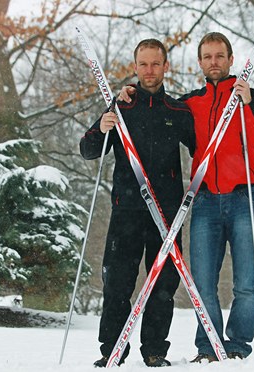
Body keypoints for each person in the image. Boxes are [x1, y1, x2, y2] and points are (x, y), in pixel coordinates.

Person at [119, 32, 254, 362]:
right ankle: (208, 347)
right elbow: (159, 108)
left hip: (245, 199)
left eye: (219, 56)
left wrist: (248, 103)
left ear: (231, 60)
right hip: (204, 201)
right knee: (202, 283)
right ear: (200, 62)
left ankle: (237, 346)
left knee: (246, 282)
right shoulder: (191, 102)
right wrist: (128, 95)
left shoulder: (247, 95)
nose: (213, 62)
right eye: (207, 57)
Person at [80, 38, 195, 368]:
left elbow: (202, 149)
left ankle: (155, 350)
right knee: (117, 282)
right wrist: (101, 128)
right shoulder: (120, 108)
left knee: (163, 285)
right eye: (143, 64)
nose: (149, 70)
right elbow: (88, 150)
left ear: (165, 67)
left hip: (168, 213)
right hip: (127, 209)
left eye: (155, 64)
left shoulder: (178, 111)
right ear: (135, 67)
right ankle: (112, 351)